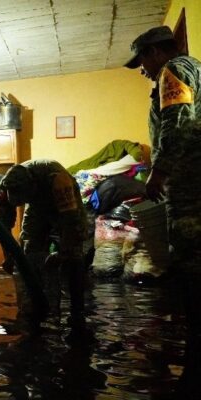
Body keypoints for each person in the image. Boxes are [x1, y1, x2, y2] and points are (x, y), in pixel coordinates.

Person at [125, 25, 201, 396]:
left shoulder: (175, 70)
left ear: (156, 52)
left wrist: (160, 171)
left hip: (190, 188)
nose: (143, 69)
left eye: (142, 59)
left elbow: (177, 122)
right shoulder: (193, 69)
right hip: (190, 182)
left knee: (191, 265)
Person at [0, 159, 88, 324]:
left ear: (32, 187)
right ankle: (34, 306)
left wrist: (62, 254)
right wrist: (8, 256)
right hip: (37, 205)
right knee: (28, 247)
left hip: (63, 205)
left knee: (74, 254)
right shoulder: (4, 191)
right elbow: (3, 229)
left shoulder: (59, 179)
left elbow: (70, 223)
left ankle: (77, 312)